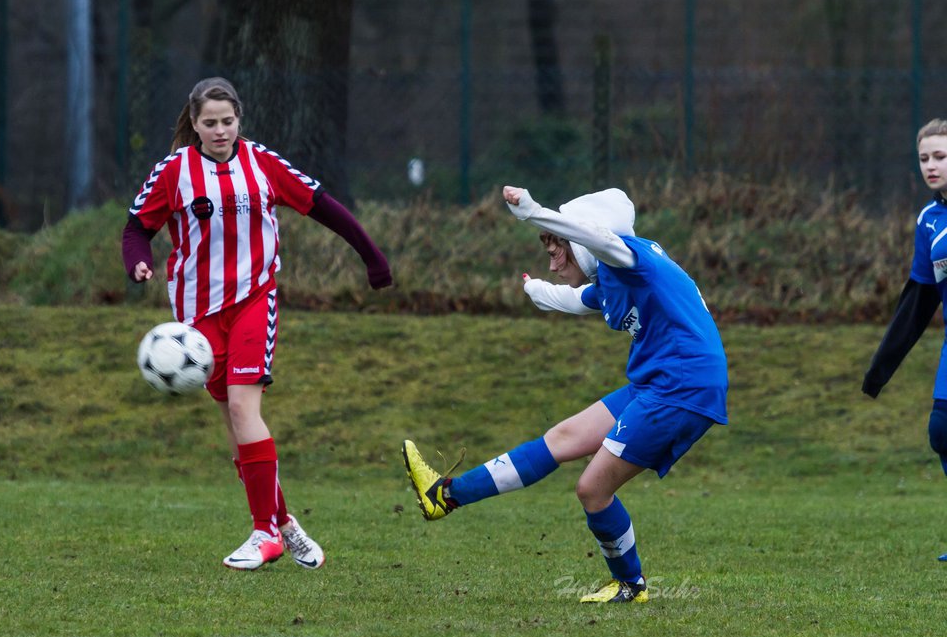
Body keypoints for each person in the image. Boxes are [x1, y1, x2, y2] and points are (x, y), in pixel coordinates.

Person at [402, 186, 728, 602]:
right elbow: (575, 301)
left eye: (559, 247)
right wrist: (534, 291)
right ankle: (444, 496)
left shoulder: (629, 257)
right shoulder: (610, 276)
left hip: (683, 384)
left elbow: (599, 240)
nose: (553, 258)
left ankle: (630, 584)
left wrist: (535, 213)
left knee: (592, 489)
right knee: (563, 438)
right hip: (661, 381)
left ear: (583, 240)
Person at [122, 77, 392, 570]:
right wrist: (136, 261)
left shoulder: (263, 164)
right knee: (235, 425)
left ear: (239, 120)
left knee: (246, 411)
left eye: (228, 121)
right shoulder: (174, 172)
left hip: (253, 300)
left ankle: (264, 532)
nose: (220, 130)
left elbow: (324, 206)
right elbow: (137, 226)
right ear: (195, 124)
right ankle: (284, 525)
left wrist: (372, 258)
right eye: (210, 123)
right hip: (197, 317)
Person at [863, 118, 947, 561]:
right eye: (924, 158)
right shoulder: (930, 221)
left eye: (941, 156)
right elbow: (918, 301)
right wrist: (881, 368)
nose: (931, 166)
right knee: (943, 429)